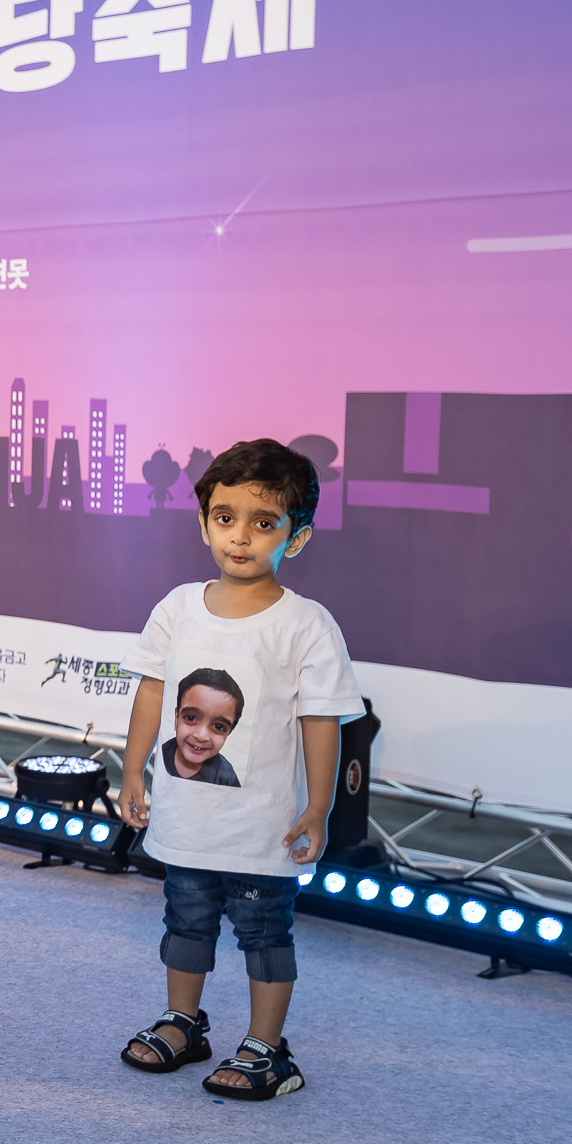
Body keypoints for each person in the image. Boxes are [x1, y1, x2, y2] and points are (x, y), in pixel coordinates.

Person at [118, 438, 359, 1100]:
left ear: (297, 537)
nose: (241, 537)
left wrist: (318, 807)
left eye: (264, 522)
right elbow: (149, 693)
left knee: (263, 934)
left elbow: (322, 718)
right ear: (202, 523)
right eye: (225, 517)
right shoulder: (177, 607)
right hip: (187, 820)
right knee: (184, 923)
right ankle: (183, 1020)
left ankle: (267, 1047)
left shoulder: (307, 625)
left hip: (262, 830)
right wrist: (134, 769)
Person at [160, 669, 245, 786]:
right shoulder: (160, 757)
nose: (201, 736)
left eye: (218, 726)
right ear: (176, 718)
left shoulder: (226, 778)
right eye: (190, 718)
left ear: (229, 732)